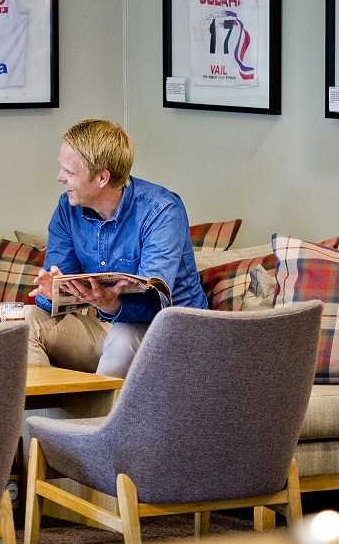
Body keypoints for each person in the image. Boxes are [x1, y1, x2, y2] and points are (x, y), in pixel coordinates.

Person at [27, 119, 208, 377]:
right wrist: (53, 293)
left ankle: (99, 406)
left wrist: (111, 305)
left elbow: (155, 302)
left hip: (175, 334)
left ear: (102, 178)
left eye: (69, 172)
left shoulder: (161, 211)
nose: (59, 177)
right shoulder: (68, 209)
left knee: (122, 337)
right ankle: (49, 402)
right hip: (111, 328)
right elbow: (63, 288)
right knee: (27, 321)